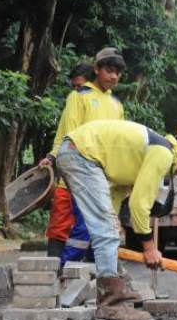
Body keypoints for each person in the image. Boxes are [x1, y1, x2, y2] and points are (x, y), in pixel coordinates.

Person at [57, 119, 177, 320]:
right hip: (81, 154)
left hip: (76, 151)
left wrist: (112, 222)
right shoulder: (164, 153)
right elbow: (139, 206)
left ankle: (120, 289)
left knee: (109, 232)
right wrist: (149, 247)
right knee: (107, 234)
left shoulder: (146, 153)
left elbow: (117, 191)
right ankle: (111, 306)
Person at [40, 48, 126, 260]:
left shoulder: (117, 105)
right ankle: (54, 273)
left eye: (118, 72)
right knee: (61, 224)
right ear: (97, 69)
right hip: (74, 173)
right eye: (109, 70)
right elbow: (67, 134)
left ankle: (88, 280)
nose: (113, 76)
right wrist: (53, 157)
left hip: (102, 179)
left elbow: (118, 143)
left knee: (94, 229)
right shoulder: (79, 97)